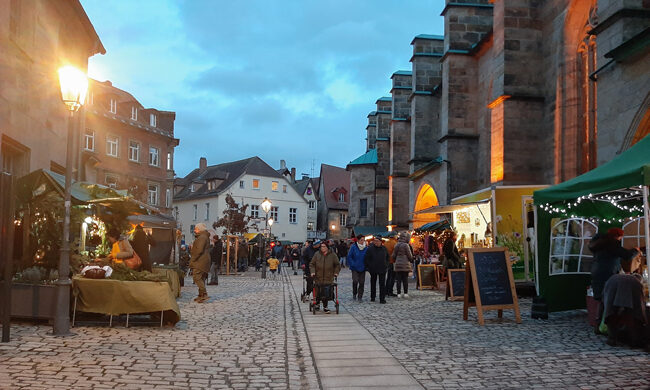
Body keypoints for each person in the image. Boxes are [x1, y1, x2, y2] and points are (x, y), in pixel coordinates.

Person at [590, 227, 640, 333]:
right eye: (621, 237)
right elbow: (626, 255)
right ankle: (606, 327)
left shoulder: (600, 243)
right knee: (608, 301)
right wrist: (636, 250)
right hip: (608, 274)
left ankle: (598, 325)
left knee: (601, 300)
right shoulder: (611, 244)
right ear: (617, 236)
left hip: (597, 272)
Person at [602, 250, 648, 348]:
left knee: (611, 313)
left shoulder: (613, 279)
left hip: (613, 287)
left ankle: (612, 338)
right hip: (624, 287)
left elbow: (606, 306)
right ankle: (635, 340)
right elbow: (640, 306)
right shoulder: (636, 282)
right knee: (633, 315)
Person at [310, 241, 341, 313]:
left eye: (324, 247)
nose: (322, 248)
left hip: (328, 277)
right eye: (321, 247)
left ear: (327, 247)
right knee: (318, 291)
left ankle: (325, 306)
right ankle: (317, 303)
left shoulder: (332, 255)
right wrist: (312, 272)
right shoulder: (317, 254)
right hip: (318, 276)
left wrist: (336, 272)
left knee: (326, 292)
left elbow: (337, 265)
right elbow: (312, 264)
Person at [364, 235, 389, 304]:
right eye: (375, 241)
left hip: (382, 268)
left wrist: (386, 265)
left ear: (381, 242)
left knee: (382, 284)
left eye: (377, 241)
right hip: (373, 269)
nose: (376, 242)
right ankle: (373, 297)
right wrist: (369, 267)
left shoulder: (384, 248)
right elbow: (367, 258)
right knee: (373, 283)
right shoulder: (370, 249)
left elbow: (387, 257)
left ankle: (382, 298)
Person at [189, 223, 211, 303]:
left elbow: (199, 250)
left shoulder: (202, 237)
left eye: (196, 229)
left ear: (199, 229)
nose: (194, 230)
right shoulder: (204, 237)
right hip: (203, 260)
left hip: (200, 260)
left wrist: (193, 260)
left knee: (197, 277)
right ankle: (201, 295)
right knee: (201, 278)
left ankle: (204, 294)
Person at [347, 234, 368, 301]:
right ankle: (354, 293)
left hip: (363, 267)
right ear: (358, 240)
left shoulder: (366, 248)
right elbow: (349, 256)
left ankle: (360, 296)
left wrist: (367, 265)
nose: (363, 241)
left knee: (362, 282)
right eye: (361, 240)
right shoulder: (353, 247)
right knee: (355, 281)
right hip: (355, 267)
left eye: (363, 240)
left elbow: (368, 257)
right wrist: (353, 264)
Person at [393, 232, 414, 298]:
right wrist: (411, 259)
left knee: (398, 280)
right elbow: (409, 255)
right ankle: (405, 293)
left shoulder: (396, 245)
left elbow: (393, 255)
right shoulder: (406, 245)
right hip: (405, 264)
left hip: (398, 264)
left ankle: (398, 293)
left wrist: (397, 259)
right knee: (405, 279)